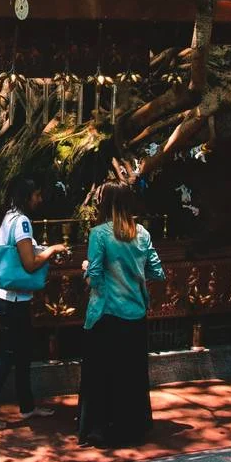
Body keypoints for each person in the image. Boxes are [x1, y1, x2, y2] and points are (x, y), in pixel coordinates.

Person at [0, 176, 69, 431]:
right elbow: (29, 263)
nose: (39, 199)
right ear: (26, 196)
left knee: (23, 352)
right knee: (7, 355)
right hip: (13, 299)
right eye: (36, 194)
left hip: (6, 295)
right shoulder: (22, 222)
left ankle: (27, 406)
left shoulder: (7, 217)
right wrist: (52, 250)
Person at [77, 181, 165, 447]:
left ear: (105, 204)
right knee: (131, 375)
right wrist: (134, 274)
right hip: (135, 313)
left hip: (106, 313)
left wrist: (86, 268)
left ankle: (99, 428)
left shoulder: (99, 234)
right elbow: (157, 271)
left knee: (102, 374)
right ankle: (133, 427)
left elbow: (94, 277)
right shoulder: (142, 234)